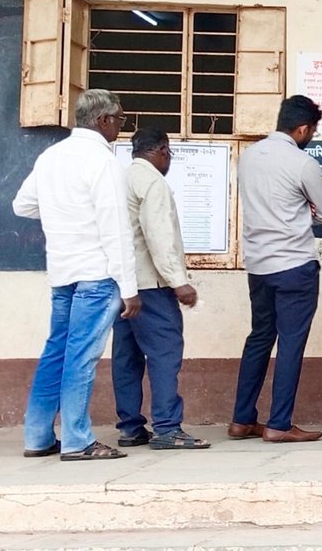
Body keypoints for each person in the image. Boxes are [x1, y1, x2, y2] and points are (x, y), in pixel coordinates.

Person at [12, 89, 141, 461]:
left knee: (56, 352)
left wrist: (62, 211)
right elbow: (116, 230)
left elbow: (22, 205)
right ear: (102, 120)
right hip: (97, 275)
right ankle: (77, 440)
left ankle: (37, 437)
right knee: (81, 357)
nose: (121, 126)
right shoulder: (103, 162)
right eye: (120, 119)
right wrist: (129, 288)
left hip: (62, 272)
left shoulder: (51, 156)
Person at [230, 95, 322, 444]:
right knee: (290, 343)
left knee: (259, 337)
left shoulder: (249, 156)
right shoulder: (303, 164)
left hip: (258, 266)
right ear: (302, 129)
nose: (311, 137)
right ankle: (279, 424)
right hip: (294, 265)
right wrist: (303, 211)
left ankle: (241, 420)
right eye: (312, 131)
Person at [113, 127, 208, 450]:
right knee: (165, 354)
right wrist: (179, 282)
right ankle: (167, 427)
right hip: (151, 286)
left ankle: (130, 427)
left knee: (126, 357)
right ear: (163, 150)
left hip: (123, 284)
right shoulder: (153, 183)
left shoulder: (122, 178)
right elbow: (159, 236)